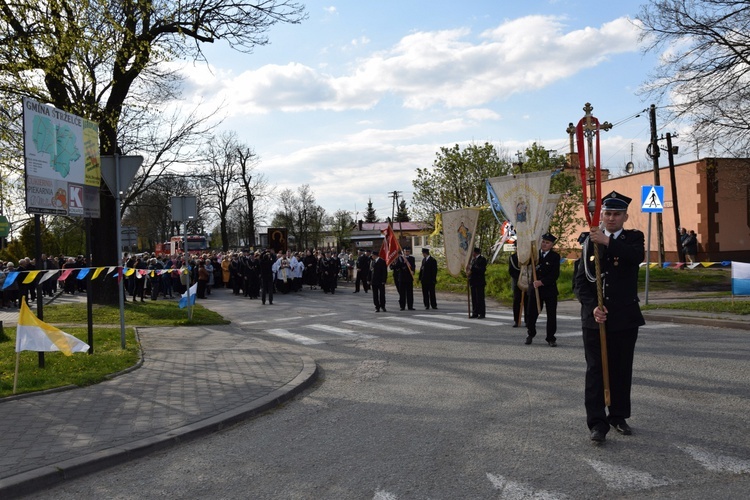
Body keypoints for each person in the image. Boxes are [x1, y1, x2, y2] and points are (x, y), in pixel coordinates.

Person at [574, 190, 645, 444]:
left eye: (616, 214)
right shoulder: (587, 242)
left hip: (624, 317)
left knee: (621, 368)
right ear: (600, 215)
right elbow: (580, 283)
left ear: (625, 216)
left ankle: (618, 416)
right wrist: (593, 306)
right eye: (607, 213)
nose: (611, 218)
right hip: (595, 318)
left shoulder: (633, 238)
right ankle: (597, 423)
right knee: (595, 370)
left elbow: (635, 257)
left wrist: (607, 242)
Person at [524, 233, 560, 347]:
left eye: (547, 243)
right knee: (531, 314)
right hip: (535, 289)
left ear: (551, 245)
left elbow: (554, 274)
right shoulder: (534, 255)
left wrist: (542, 282)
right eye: (543, 242)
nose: (544, 244)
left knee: (551, 315)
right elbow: (524, 263)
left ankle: (551, 338)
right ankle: (530, 333)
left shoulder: (555, 257)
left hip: (549, 290)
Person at [468, 247, 487, 318]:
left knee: (480, 298)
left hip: (479, 281)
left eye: (473, 252)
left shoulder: (482, 259)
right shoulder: (473, 260)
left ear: (475, 253)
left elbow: (481, 270)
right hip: (473, 281)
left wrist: (473, 268)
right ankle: (475, 312)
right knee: (474, 298)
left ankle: (482, 313)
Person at [508, 248, 524, 327]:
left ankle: (528, 320)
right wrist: (519, 278)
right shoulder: (512, 257)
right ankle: (516, 320)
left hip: (526, 281)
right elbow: (511, 270)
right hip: (517, 281)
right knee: (517, 301)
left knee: (528, 301)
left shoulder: (527, 255)